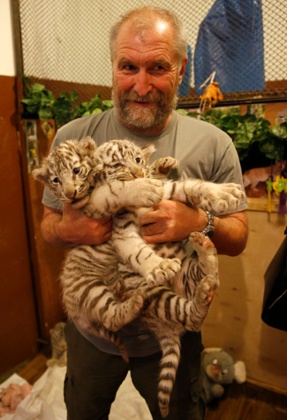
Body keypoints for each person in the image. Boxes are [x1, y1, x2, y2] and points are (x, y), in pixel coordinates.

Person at [40, 6, 248, 420]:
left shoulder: (213, 143)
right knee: (83, 410)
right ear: (113, 66)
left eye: (157, 67)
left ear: (181, 67)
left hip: (169, 331)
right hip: (93, 333)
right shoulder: (72, 137)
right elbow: (47, 228)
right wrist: (71, 228)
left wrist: (197, 221)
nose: (141, 84)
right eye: (128, 66)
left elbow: (239, 237)